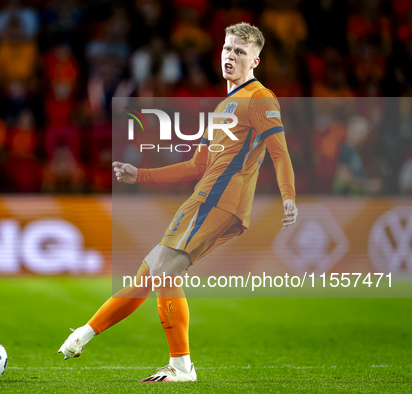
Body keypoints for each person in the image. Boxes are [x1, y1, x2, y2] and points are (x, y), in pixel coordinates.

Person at [58, 22, 298, 383]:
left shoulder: (260, 99)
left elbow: (279, 153)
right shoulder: (223, 107)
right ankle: (83, 335)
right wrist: (139, 175)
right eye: (227, 48)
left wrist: (288, 197)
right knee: (147, 275)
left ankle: (182, 367)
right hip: (203, 199)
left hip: (220, 201)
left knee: (165, 272)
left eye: (240, 52)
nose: (230, 56)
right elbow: (195, 165)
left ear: (255, 61)